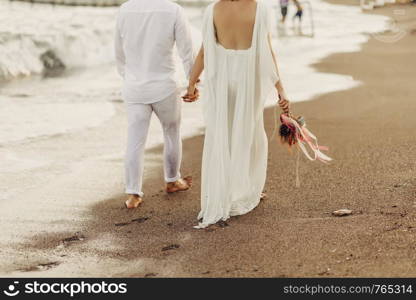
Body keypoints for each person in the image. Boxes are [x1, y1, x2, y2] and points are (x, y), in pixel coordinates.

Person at [183, 0, 290, 228]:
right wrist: (280, 88)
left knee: (222, 133)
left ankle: (224, 190)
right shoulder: (260, 9)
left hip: (222, 80)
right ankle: (247, 190)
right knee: (249, 134)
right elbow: (267, 52)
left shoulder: (213, 9)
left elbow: (204, 51)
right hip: (247, 80)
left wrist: (191, 84)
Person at [115, 0, 194, 209]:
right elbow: (187, 51)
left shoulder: (124, 9)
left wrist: (130, 77)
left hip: (134, 88)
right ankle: (172, 180)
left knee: (134, 141)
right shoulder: (173, 10)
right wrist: (193, 83)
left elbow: (119, 54)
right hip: (164, 87)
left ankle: (133, 194)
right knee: (171, 132)